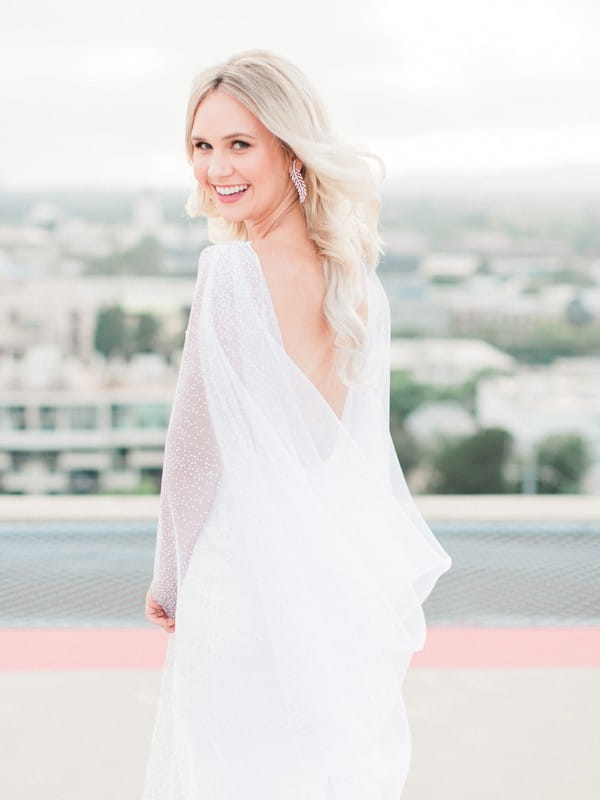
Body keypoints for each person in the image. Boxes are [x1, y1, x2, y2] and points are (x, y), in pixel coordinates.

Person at [142, 49, 451, 800]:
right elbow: (343, 446)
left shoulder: (233, 274)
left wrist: (169, 578)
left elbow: (191, 453)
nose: (215, 166)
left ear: (290, 149)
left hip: (237, 572)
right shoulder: (355, 279)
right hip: (326, 577)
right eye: (201, 145)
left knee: (226, 773)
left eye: (239, 143)